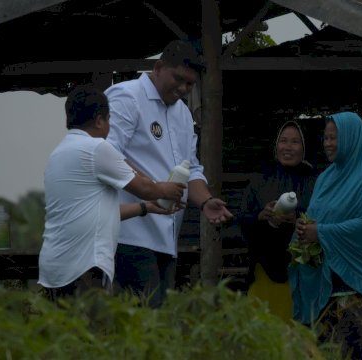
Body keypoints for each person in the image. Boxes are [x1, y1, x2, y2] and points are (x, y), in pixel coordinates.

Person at [104, 40, 233, 308]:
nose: (184, 89)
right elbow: (106, 156)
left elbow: (192, 168)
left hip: (166, 239)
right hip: (129, 233)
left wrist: (205, 201)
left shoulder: (183, 114)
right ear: (158, 67)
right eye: (179, 79)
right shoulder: (126, 96)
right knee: (146, 324)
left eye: (190, 84)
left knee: (161, 322)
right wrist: (155, 190)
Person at [39, 85, 186, 303]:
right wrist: (169, 190)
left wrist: (146, 207)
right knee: (93, 333)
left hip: (54, 268)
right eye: (109, 120)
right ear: (100, 120)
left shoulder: (58, 154)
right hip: (85, 266)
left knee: (65, 334)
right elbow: (143, 188)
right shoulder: (96, 148)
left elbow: (99, 212)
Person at [289, 112, 362, 359]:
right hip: (325, 283)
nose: (328, 143)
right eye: (326, 137)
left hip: (354, 287)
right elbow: (313, 216)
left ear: (353, 139)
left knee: (356, 350)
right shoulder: (325, 178)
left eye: (335, 138)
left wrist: (320, 232)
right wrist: (302, 229)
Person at [239, 120, 317, 321]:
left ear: (304, 148)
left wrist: (297, 217)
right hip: (264, 268)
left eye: (295, 142)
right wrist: (260, 215)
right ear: (276, 146)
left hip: (302, 271)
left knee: (296, 331)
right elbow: (242, 218)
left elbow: (324, 217)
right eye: (283, 141)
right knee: (265, 333)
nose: (288, 147)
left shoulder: (315, 181)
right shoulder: (261, 179)